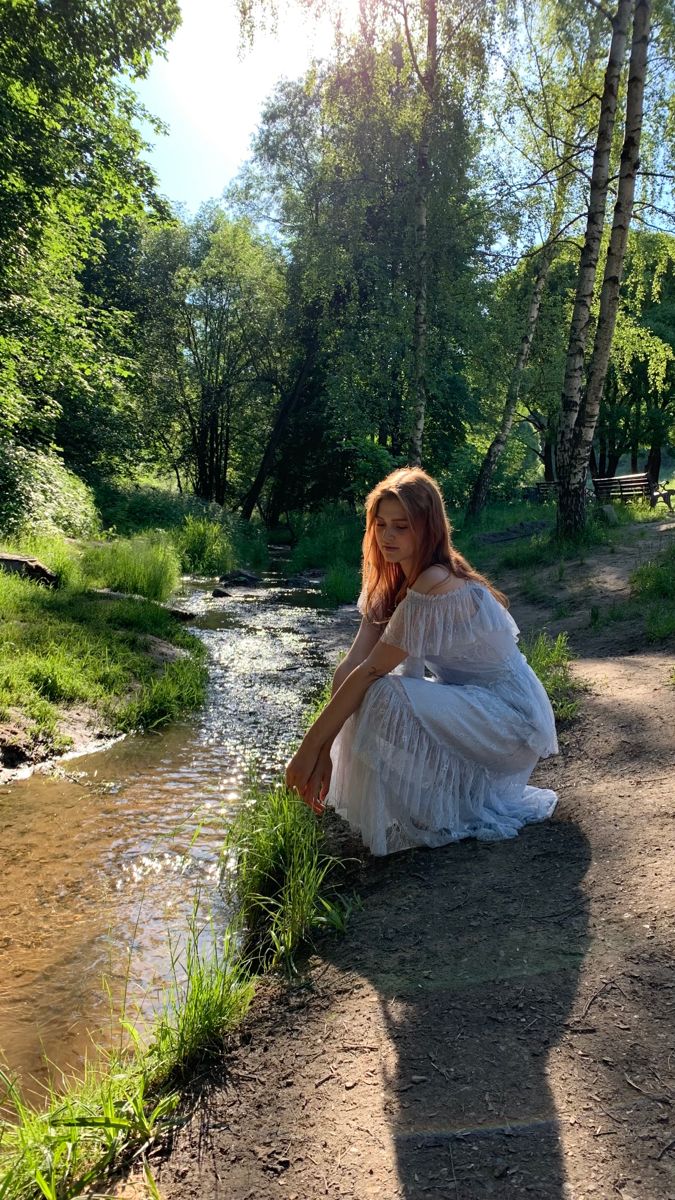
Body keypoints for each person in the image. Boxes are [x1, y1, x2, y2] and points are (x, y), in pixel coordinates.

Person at [285, 467, 558, 856]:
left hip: (512, 718)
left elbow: (373, 672)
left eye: (402, 526)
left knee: (379, 692)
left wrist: (307, 749)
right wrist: (325, 749)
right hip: (473, 703)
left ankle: (438, 806)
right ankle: (440, 799)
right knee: (367, 689)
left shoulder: (434, 581)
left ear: (427, 528)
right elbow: (351, 666)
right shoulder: (392, 579)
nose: (387, 536)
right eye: (380, 524)